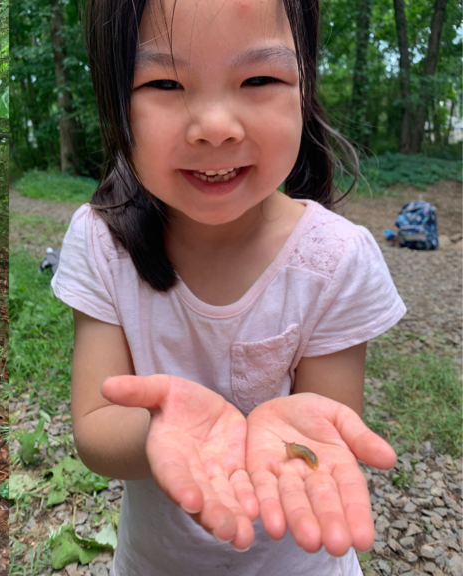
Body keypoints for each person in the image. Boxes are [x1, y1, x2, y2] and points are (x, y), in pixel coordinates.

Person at [54, 0, 402, 571]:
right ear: (116, 99)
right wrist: (163, 430)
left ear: (304, 84)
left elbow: (328, 435)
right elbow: (94, 428)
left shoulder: (335, 258)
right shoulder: (101, 242)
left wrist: (282, 438)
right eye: (165, 82)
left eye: (258, 78)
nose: (215, 126)